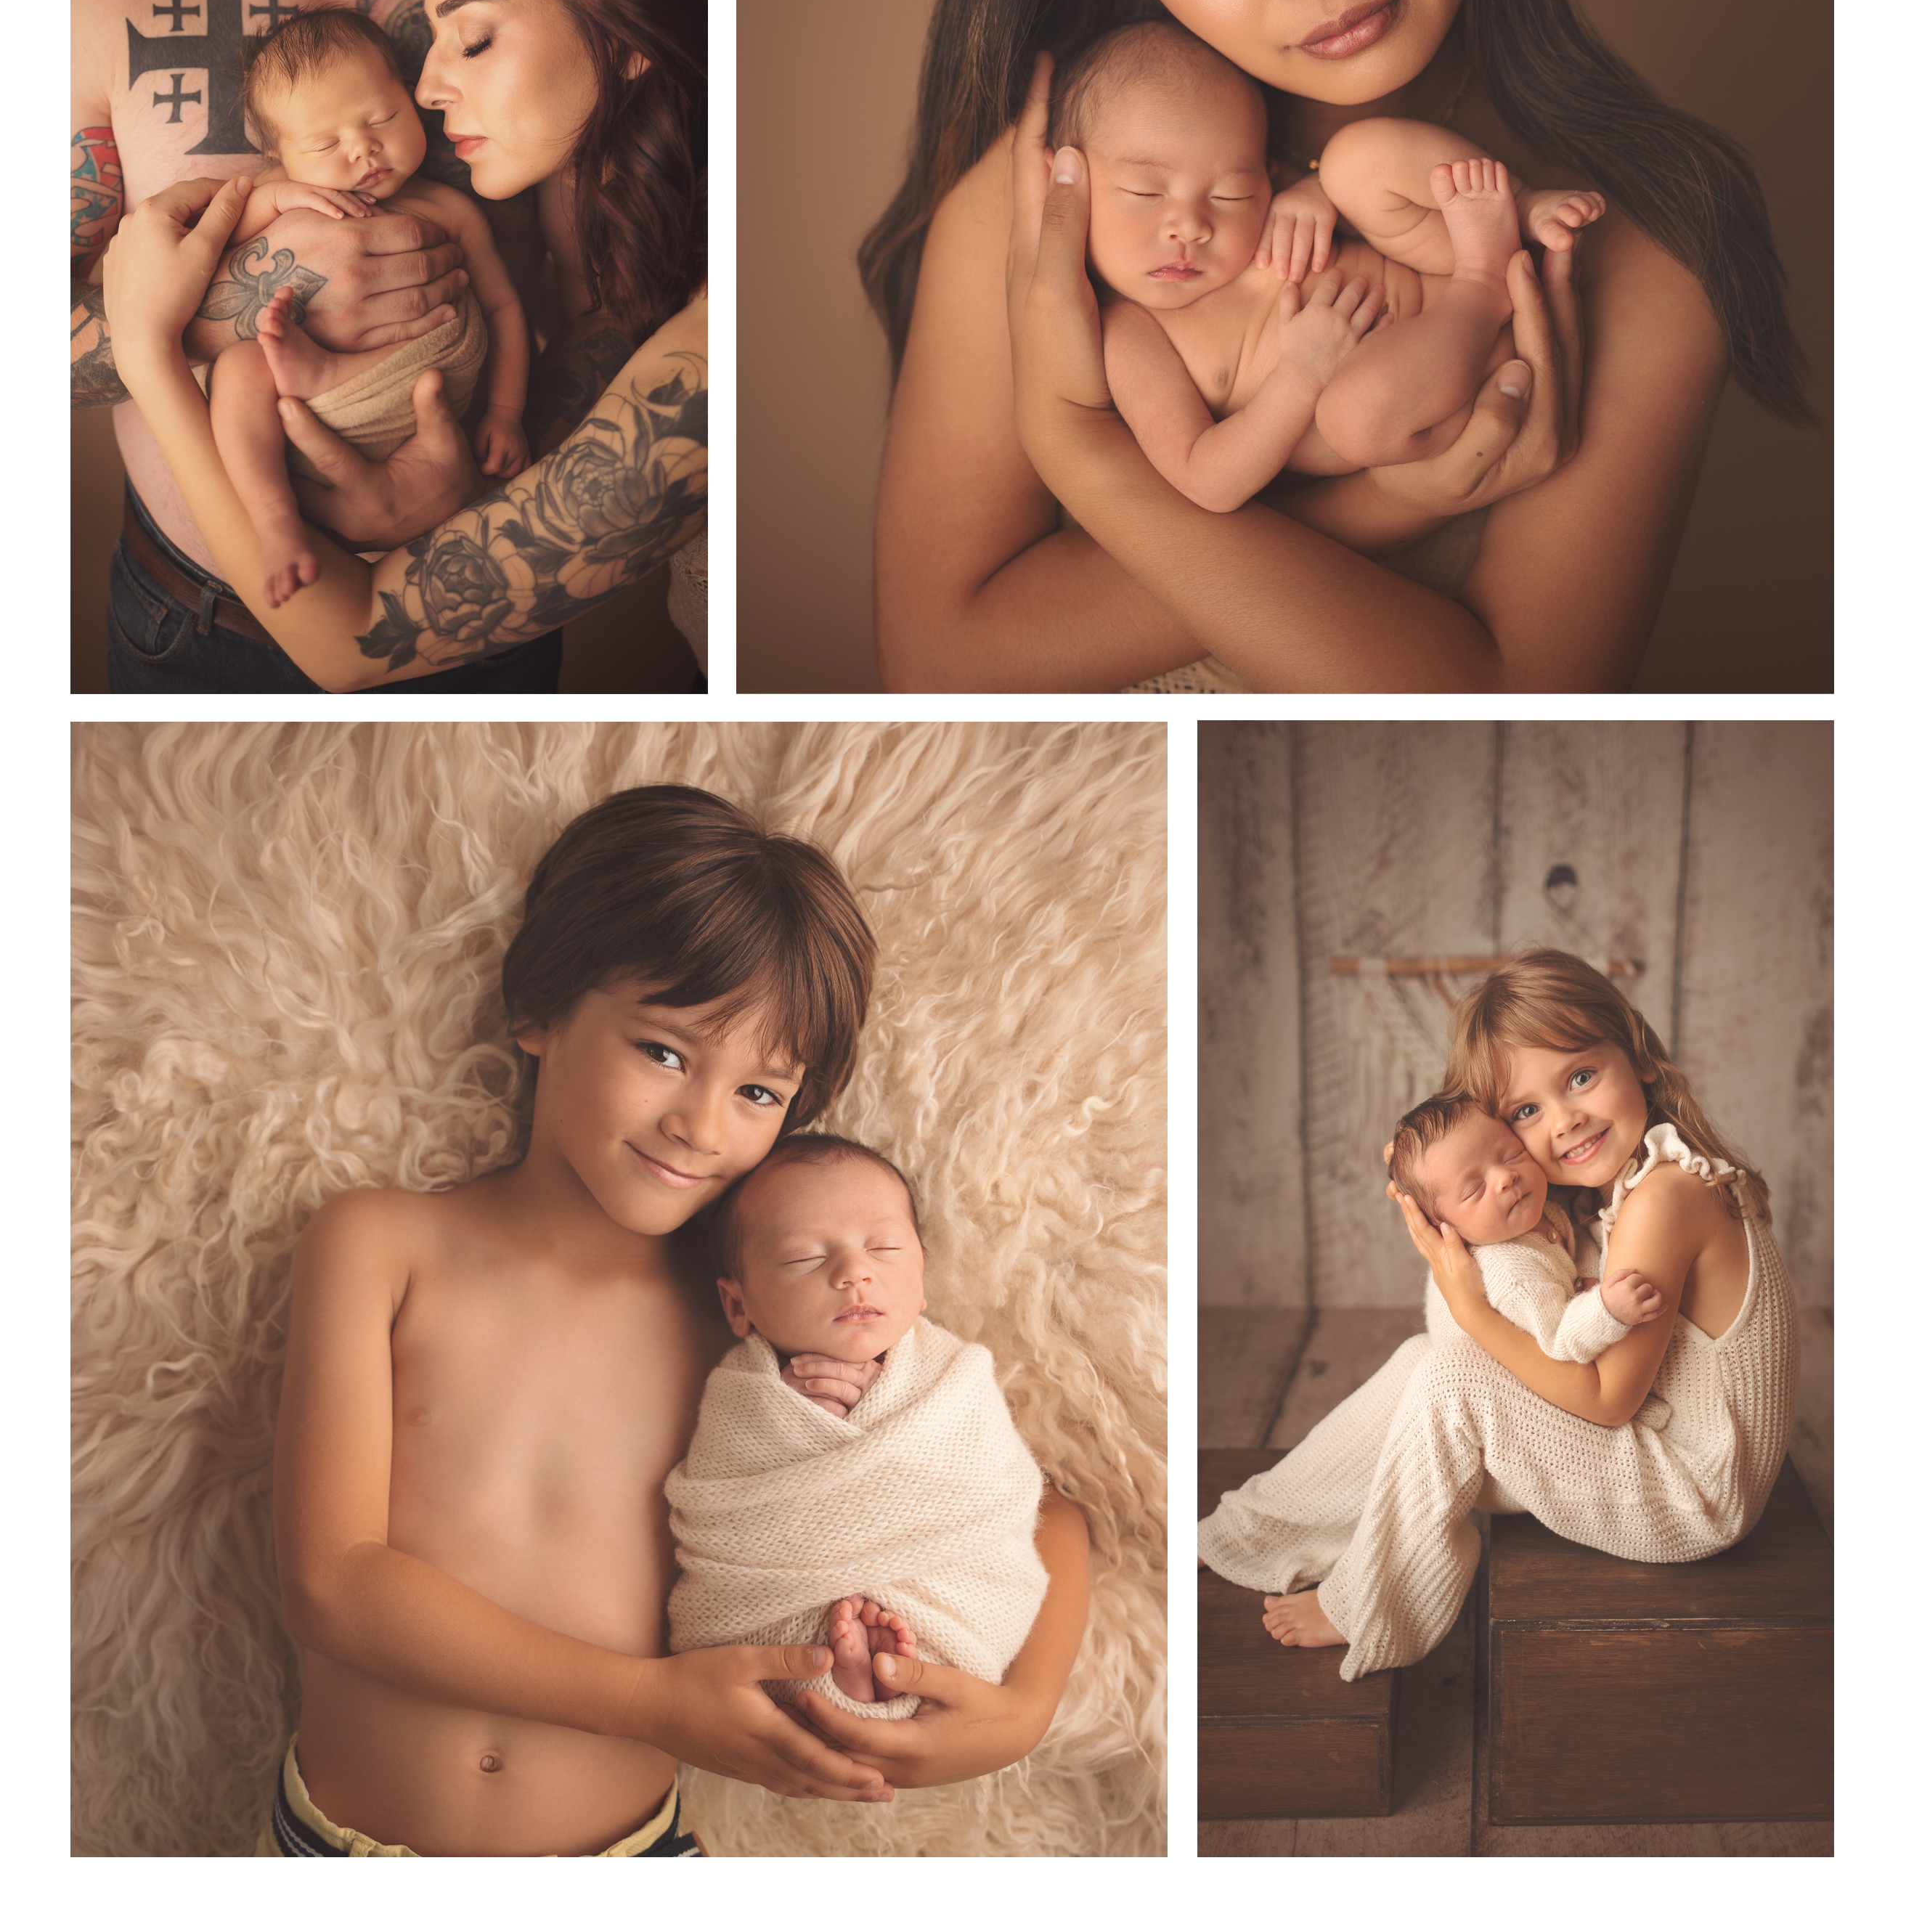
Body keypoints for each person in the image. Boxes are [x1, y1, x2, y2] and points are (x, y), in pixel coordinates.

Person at [864, 0, 1809, 692]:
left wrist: (1079, 442)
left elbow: (1502, 706)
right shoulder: (1063, 193)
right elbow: (943, 658)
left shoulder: (1639, 247)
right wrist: (1379, 499)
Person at [261, 785, 1090, 1857]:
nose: (701, 1124)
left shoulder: (755, 1322)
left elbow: (1032, 1512)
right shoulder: (383, 1246)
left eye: (759, 1093)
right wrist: (651, 1702)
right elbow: (331, 1582)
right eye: (663, 1052)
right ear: (540, 1012)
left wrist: (1019, 1714)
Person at [73, 0, 706, 692]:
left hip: (473, 599)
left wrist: (470, 476)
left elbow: (614, 293)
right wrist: (237, 305)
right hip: (198, 623)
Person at [1197, 950, 1795, 1679]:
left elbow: (1607, 1401)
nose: (1566, 1121)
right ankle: (1252, 1527)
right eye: (1525, 1113)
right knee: (1422, 1361)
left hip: (1692, 1497)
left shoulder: (1665, 1199)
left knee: (1452, 1378)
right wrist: (1436, 1180)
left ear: (1636, 1055)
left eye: (1580, 1076)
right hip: (1652, 1449)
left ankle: (1371, 1602)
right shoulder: (1616, 1189)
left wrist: (1469, 1307)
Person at [1063, 21, 1602, 514]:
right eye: (1144, 191)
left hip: (1440, 252)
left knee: (1351, 158)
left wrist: (1314, 191)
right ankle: (1484, 284)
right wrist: (1303, 373)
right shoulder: (1128, 330)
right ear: (1065, 181)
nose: (1190, 226)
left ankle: (1520, 207)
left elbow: (1332, 194)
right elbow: (1206, 480)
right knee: (1354, 416)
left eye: (1231, 194)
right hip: (1441, 383)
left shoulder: (1263, 212)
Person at [668, 1133, 1048, 1715]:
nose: (854, 1272)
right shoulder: (742, 1396)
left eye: (884, 1248)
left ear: (921, 1279)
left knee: (941, 1629)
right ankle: (846, 1673)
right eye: (805, 1257)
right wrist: (793, 1423)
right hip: (780, 1608)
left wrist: (884, 1416)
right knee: (785, 1649)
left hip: (948, 1595)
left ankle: (896, 1668)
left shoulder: (954, 1378)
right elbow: (726, 1512)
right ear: (738, 1305)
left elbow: (993, 1486)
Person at [211, 9, 532, 608]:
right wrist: (276, 196)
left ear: (411, 98)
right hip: (312, 428)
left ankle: (322, 370)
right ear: (280, 155)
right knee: (236, 370)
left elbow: (503, 306)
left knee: (449, 324)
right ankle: (275, 518)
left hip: (421, 405)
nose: (363, 148)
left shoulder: (449, 210)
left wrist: (506, 412)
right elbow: (213, 249)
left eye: (382, 117)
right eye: (325, 144)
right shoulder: (279, 199)